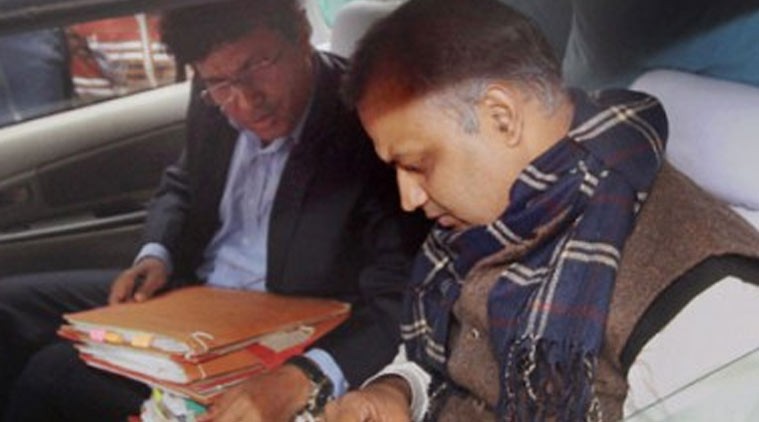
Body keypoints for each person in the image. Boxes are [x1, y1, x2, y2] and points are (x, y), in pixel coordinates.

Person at [323, 0, 759, 420]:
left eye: (417, 164)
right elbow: (446, 350)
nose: (408, 198)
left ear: (502, 117)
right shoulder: (492, 217)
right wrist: (397, 390)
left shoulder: (708, 310)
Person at [0, 0, 426, 420]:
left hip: (277, 330)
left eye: (257, 64)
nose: (246, 100)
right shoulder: (211, 96)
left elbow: (394, 299)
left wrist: (304, 375)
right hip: (188, 295)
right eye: (220, 82)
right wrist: (157, 253)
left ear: (301, 35)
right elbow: (182, 183)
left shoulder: (363, 124)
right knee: (8, 309)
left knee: (51, 373)